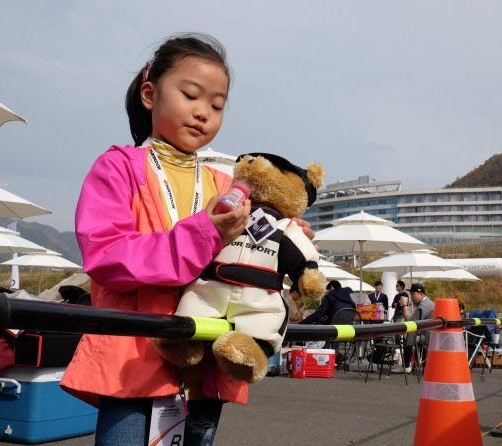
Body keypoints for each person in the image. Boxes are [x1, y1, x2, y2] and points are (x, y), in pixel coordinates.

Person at [59, 33, 313, 446]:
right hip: (134, 357)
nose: (203, 113)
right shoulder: (117, 168)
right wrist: (204, 233)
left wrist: (285, 240)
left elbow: (251, 257)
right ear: (149, 94)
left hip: (204, 361)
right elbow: (107, 258)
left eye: (216, 105)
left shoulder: (224, 182)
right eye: (191, 95)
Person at [391, 283, 434, 374]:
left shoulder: (425, 305)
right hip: (428, 333)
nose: (411, 297)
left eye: (413, 294)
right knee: (409, 335)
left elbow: (411, 322)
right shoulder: (425, 302)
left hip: (429, 336)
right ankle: (406, 365)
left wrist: (404, 306)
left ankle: (406, 366)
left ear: (421, 294)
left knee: (408, 336)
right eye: (410, 294)